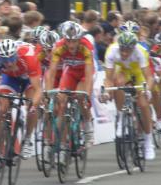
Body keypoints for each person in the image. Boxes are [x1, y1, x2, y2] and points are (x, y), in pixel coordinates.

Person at [104, 32, 155, 160]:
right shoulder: (111, 51)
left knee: (143, 104)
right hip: (122, 72)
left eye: (128, 50)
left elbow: (149, 77)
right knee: (118, 82)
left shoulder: (140, 52)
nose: (125, 53)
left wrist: (147, 90)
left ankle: (148, 140)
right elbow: (108, 79)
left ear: (133, 48)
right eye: (122, 49)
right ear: (119, 46)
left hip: (138, 73)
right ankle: (121, 116)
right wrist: (106, 91)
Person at [46, 22, 94, 151]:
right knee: (61, 101)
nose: (71, 45)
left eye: (74, 41)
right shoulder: (59, 47)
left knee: (80, 96)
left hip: (84, 74)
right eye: (68, 41)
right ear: (64, 40)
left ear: (80, 39)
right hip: (71, 72)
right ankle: (61, 142)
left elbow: (89, 75)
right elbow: (51, 73)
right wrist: (50, 93)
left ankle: (88, 127)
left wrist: (87, 95)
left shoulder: (86, 46)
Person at [0, 38, 43, 159]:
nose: (9, 63)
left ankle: (27, 139)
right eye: (5, 60)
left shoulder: (29, 57)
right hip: (10, 77)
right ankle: (2, 143)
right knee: (3, 107)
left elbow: (38, 89)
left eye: (11, 58)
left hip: (28, 78)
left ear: (16, 54)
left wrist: (33, 107)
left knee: (32, 106)